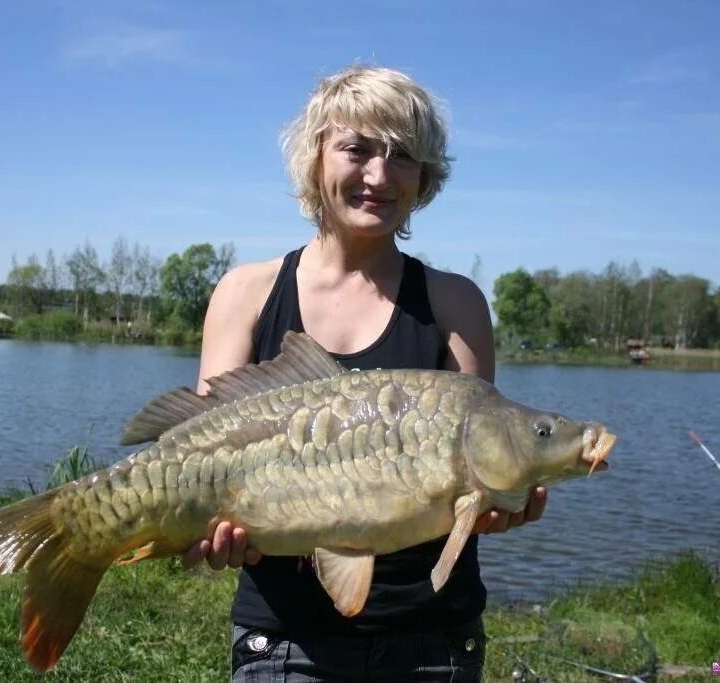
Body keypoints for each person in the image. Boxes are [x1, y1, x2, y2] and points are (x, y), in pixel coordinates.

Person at [185, 65, 547, 681]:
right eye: (356, 149)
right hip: (284, 640)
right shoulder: (245, 293)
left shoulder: (455, 304)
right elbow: (200, 455)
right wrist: (203, 529)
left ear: (425, 176)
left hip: (433, 640)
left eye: (403, 156)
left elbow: (480, 474)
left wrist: (501, 499)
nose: (379, 175)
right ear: (315, 158)